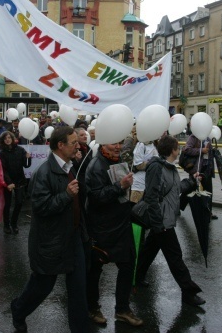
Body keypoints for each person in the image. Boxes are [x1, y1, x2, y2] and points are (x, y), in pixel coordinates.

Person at [10, 126, 89, 333]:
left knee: (79, 290)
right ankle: (18, 310)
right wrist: (66, 195)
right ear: (60, 145)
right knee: (42, 287)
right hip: (50, 242)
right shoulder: (43, 172)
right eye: (73, 143)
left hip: (73, 238)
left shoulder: (71, 166)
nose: (77, 146)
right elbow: (41, 207)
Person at [134, 135, 205, 306]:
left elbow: (176, 189)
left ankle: (136, 276)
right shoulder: (157, 168)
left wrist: (192, 181)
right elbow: (151, 197)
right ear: (172, 150)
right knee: (175, 258)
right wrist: (159, 224)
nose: (179, 150)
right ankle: (189, 292)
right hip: (163, 221)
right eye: (177, 148)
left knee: (148, 250)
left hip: (166, 219)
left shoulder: (169, 168)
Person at [85, 140, 143, 327]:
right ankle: (92, 308)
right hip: (102, 228)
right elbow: (95, 198)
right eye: (113, 144)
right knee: (95, 270)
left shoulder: (119, 161)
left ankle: (122, 310)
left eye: (119, 143)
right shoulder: (95, 165)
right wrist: (120, 186)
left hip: (121, 225)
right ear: (103, 144)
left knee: (127, 266)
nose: (117, 147)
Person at [0, 131, 32, 234]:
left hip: (20, 180)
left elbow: (26, 166)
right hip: (8, 182)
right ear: (3, 141)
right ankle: (6, 224)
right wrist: (9, 182)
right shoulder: (2, 153)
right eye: (5, 138)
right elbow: (3, 169)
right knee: (7, 204)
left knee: (19, 202)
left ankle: (14, 223)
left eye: (9, 138)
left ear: (13, 139)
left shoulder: (20, 150)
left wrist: (28, 158)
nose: (8, 140)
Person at [182, 132, 218, 220]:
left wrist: (213, 150)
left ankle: (208, 212)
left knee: (209, 191)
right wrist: (201, 150)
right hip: (197, 169)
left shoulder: (208, 137)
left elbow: (208, 152)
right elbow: (187, 150)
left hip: (207, 168)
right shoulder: (193, 137)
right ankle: (179, 206)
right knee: (191, 189)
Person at [130, 138, 158, 203]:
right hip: (139, 184)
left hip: (149, 182)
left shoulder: (153, 144)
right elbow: (139, 165)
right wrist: (153, 163)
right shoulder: (141, 145)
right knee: (136, 208)